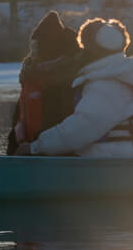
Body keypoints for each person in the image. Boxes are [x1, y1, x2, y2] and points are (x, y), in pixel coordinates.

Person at [17, 18, 133, 158]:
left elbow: (80, 129)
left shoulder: (108, 83)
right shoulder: (117, 75)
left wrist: (35, 147)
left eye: (85, 46)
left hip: (112, 161)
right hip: (116, 158)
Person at [8, 11, 85, 155]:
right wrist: (13, 151)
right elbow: (19, 119)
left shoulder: (72, 76)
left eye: (38, 46)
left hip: (60, 157)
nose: (34, 51)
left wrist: (36, 148)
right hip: (29, 152)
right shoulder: (30, 76)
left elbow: (69, 125)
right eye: (34, 46)